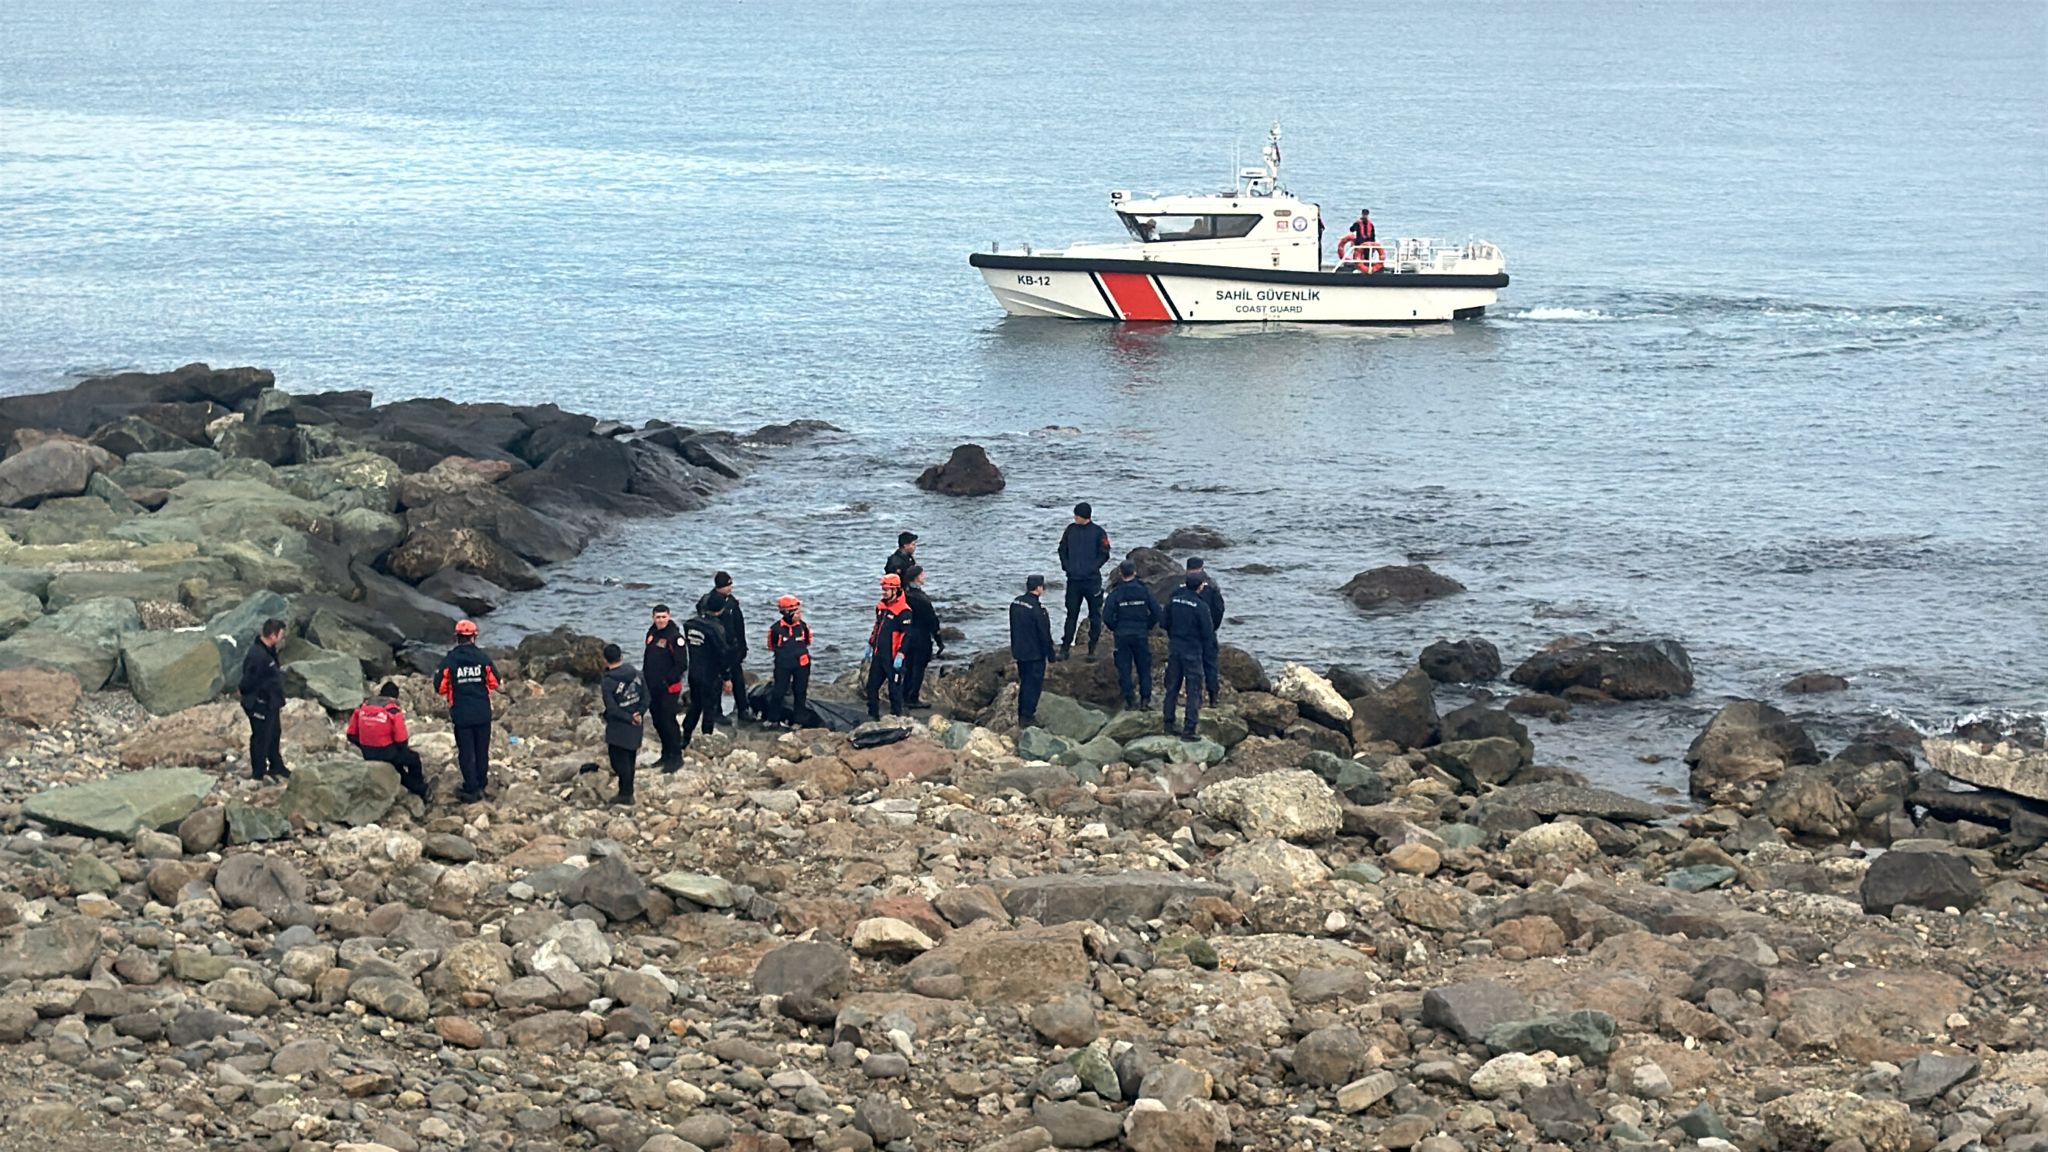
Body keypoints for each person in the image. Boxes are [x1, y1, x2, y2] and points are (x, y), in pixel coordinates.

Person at [436, 619, 500, 803]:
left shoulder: (450, 660)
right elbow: (494, 682)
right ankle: (481, 783)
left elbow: (440, 687)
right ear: (474, 637)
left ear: (457, 637)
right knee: (482, 750)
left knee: (466, 752)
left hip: (462, 714)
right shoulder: (482, 658)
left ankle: (470, 787)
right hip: (482, 712)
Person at [346, 681, 428, 800]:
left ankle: (416, 788)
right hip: (386, 750)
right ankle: (421, 789)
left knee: (398, 767)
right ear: (395, 696)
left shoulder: (363, 707)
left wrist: (364, 745)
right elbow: (401, 739)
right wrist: (400, 750)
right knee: (413, 759)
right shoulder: (392, 710)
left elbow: (351, 734)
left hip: (367, 752)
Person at [1162, 573, 1217, 740]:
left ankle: (1168, 724)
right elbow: (1208, 632)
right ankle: (1189, 729)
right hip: (1192, 650)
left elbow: (1163, 622)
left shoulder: (1173, 600)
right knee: (1193, 690)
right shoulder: (1200, 606)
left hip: (1175, 648)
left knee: (1172, 688)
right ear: (1200, 587)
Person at [1056, 502, 1111, 660]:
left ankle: (1092, 649)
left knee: (1095, 615)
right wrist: (1066, 566)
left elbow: (1105, 553)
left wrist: (1093, 568)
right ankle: (1065, 648)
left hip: (1092, 580)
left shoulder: (1098, 532)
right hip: (1073, 580)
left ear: (1084, 517)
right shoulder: (1070, 530)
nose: (1074, 518)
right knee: (1071, 614)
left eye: (1077, 516)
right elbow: (1062, 549)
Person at [1101, 561, 1161, 709]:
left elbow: (1107, 616)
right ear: (1134, 572)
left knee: (1124, 668)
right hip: (1140, 633)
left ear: (1121, 573)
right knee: (1143, 667)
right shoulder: (1144, 590)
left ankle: (1130, 700)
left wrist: (1116, 627)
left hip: (1122, 634)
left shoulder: (1116, 592)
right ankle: (1145, 699)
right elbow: (1157, 612)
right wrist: (1148, 625)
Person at [239, 618, 290, 781]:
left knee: (274, 733)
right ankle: (258, 773)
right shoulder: (257, 655)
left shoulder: (269, 651)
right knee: (261, 737)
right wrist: (258, 699)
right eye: (281, 634)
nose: (282, 638)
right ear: (273, 635)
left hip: (272, 703)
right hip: (260, 703)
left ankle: (276, 766)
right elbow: (246, 683)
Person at [679, 597, 730, 753]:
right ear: (721, 610)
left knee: (695, 704)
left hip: (694, 670)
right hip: (710, 674)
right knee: (709, 708)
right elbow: (722, 654)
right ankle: (706, 739)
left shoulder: (690, 624)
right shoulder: (716, 628)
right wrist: (727, 677)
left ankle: (685, 736)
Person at [698, 573, 749, 722]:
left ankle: (743, 709)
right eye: (728, 585)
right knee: (716, 680)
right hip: (717, 647)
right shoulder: (709, 601)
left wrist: (743, 645)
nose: (730, 588)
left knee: (738, 679)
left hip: (732, 647)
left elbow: (739, 625)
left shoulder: (732, 602)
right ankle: (716, 711)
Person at [599, 643, 645, 806]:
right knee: (630, 759)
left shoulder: (608, 682)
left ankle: (626, 794)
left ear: (605, 660)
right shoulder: (638, 674)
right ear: (621, 657)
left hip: (619, 726)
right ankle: (627, 791)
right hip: (636, 723)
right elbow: (646, 697)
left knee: (618, 761)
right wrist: (639, 713)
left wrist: (628, 717)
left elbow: (611, 708)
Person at [642, 603, 686, 770]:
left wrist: (667, 681)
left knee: (669, 722)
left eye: (663, 617)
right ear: (653, 618)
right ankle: (665, 753)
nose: (660, 620)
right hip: (652, 686)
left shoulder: (675, 638)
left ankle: (676, 756)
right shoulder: (651, 633)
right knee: (657, 721)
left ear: (669, 616)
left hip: (669, 688)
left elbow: (681, 664)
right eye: (657, 617)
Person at [865, 572, 913, 720]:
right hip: (879, 655)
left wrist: (901, 654)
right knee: (871, 687)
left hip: (893, 657)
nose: (884, 592)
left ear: (896, 590)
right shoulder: (881, 607)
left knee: (895, 690)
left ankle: (896, 717)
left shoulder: (904, 611)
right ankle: (873, 716)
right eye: (883, 589)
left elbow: (907, 635)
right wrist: (871, 644)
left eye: (887, 590)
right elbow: (877, 627)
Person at [1008, 574, 1054, 727]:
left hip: (1019, 650)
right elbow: (1044, 633)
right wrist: (1051, 654)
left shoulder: (1015, 603)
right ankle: (1027, 716)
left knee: (1024, 681)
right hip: (1035, 653)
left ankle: (1021, 712)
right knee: (1033, 685)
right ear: (1039, 588)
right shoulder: (1038, 610)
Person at [764, 595, 813, 728]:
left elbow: (808, 641)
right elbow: (771, 645)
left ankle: (798, 720)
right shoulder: (776, 629)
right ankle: (773, 718)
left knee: (800, 692)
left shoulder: (803, 627)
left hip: (802, 665)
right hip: (783, 665)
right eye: (796, 612)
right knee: (778, 691)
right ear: (786, 613)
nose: (799, 615)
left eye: (799, 611)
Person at [901, 564, 945, 709]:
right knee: (919, 667)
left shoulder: (904, 595)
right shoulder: (922, 599)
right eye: (922, 575)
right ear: (917, 577)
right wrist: (939, 641)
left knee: (908, 665)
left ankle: (903, 695)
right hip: (921, 636)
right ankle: (913, 698)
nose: (924, 577)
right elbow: (932, 620)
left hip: (907, 635)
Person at [1185, 557, 1227, 702]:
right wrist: (1213, 627)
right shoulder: (1212, 585)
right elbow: (1219, 608)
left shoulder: (1183, 585)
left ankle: (1196, 697)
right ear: (1202, 567)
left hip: (1188, 634)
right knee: (1210, 665)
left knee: (1192, 667)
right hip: (1207, 632)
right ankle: (1213, 697)